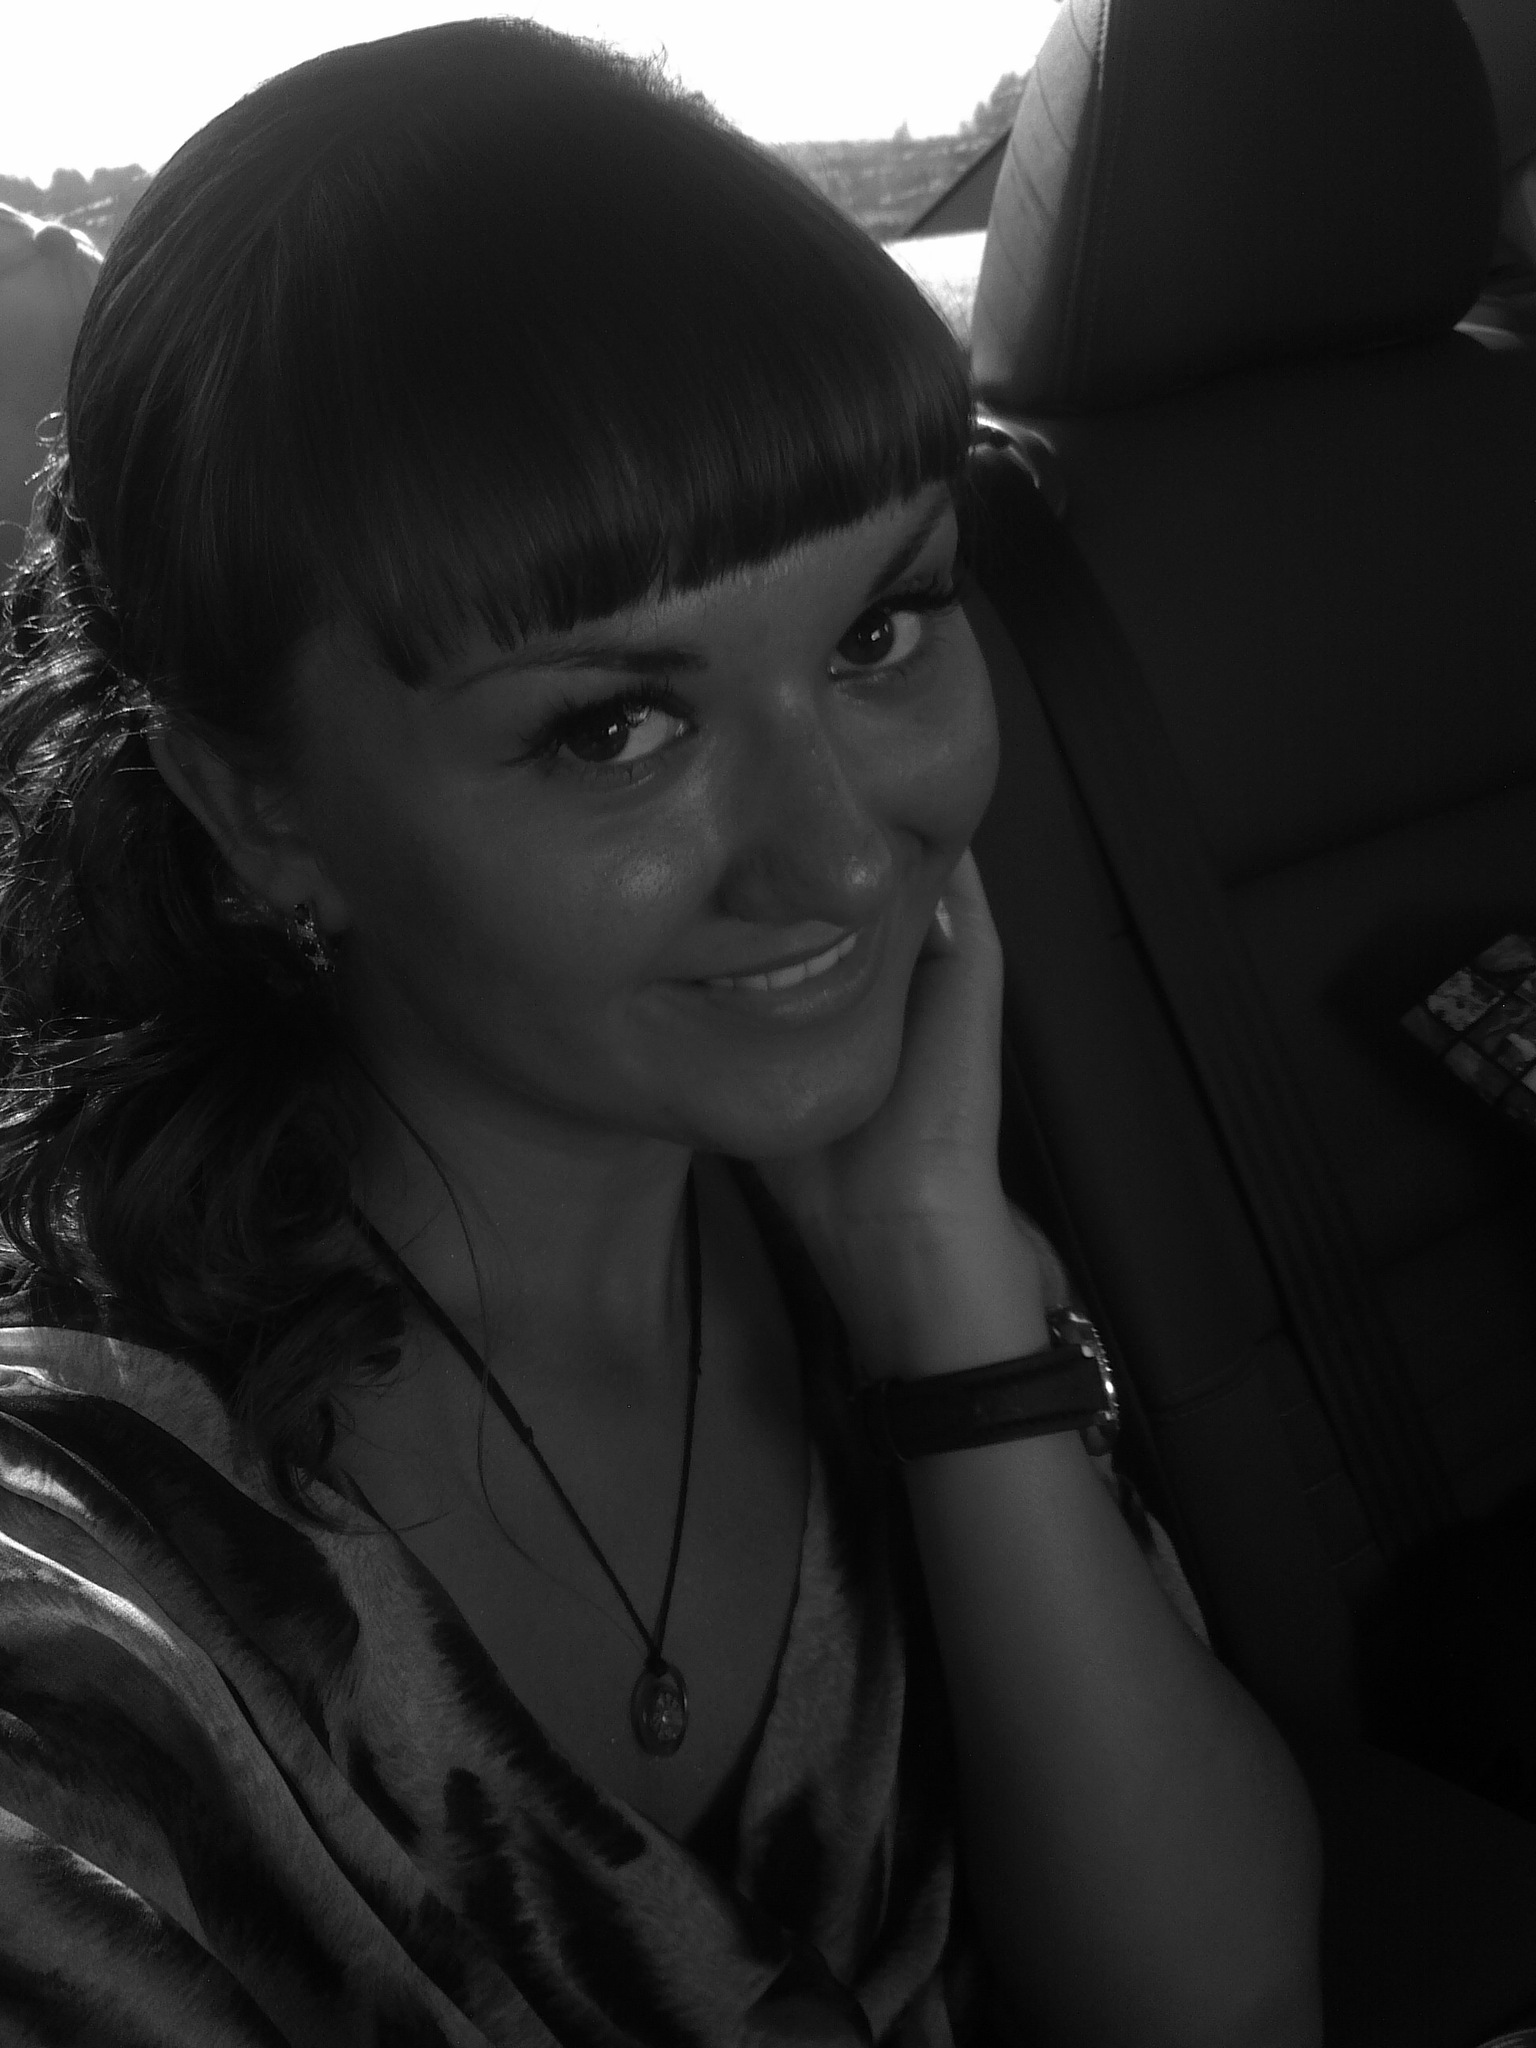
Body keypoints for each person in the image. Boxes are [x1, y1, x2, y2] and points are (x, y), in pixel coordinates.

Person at [0, 21, 1323, 2046]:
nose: (843, 852)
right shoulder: (82, 1588)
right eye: (613, 726)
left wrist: (945, 1295)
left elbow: (1222, 2007)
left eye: (881, 628)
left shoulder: (872, 1230)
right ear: (259, 811)